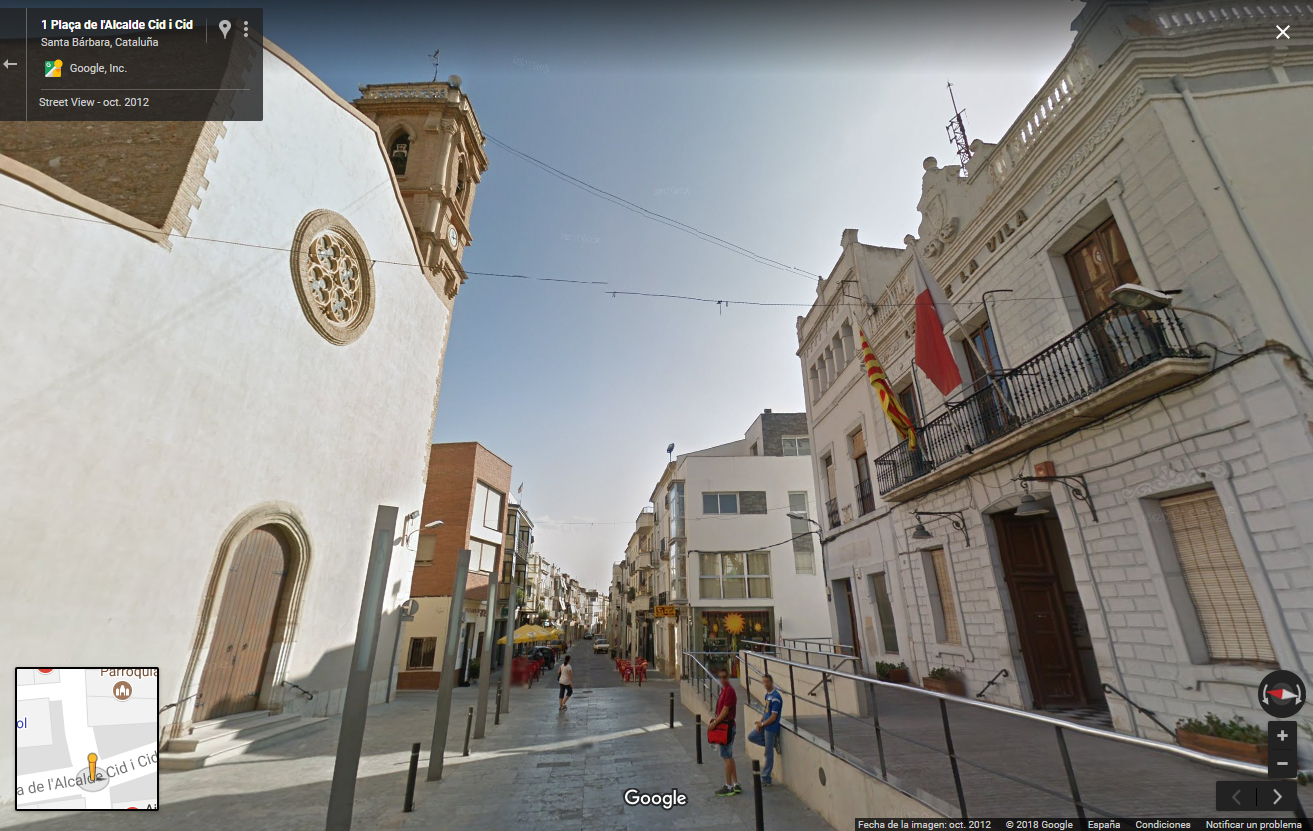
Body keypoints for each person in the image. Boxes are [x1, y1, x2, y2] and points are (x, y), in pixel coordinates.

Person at [707, 665, 740, 796]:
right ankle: (736, 784)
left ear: (729, 676)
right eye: (720, 677)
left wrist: (714, 724)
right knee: (729, 755)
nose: (722, 679)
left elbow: (725, 710)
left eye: (724, 677)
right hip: (727, 726)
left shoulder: (729, 691)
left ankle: (728, 786)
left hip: (726, 727)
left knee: (726, 756)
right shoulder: (724, 690)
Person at [747, 673, 783, 785]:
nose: (765, 684)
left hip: (771, 728)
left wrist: (762, 724)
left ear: (771, 682)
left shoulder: (776, 697)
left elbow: (773, 717)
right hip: (765, 726)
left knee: (768, 754)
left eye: (767, 682)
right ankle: (772, 743)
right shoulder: (768, 695)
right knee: (752, 736)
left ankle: (766, 778)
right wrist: (760, 722)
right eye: (764, 682)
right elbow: (766, 711)